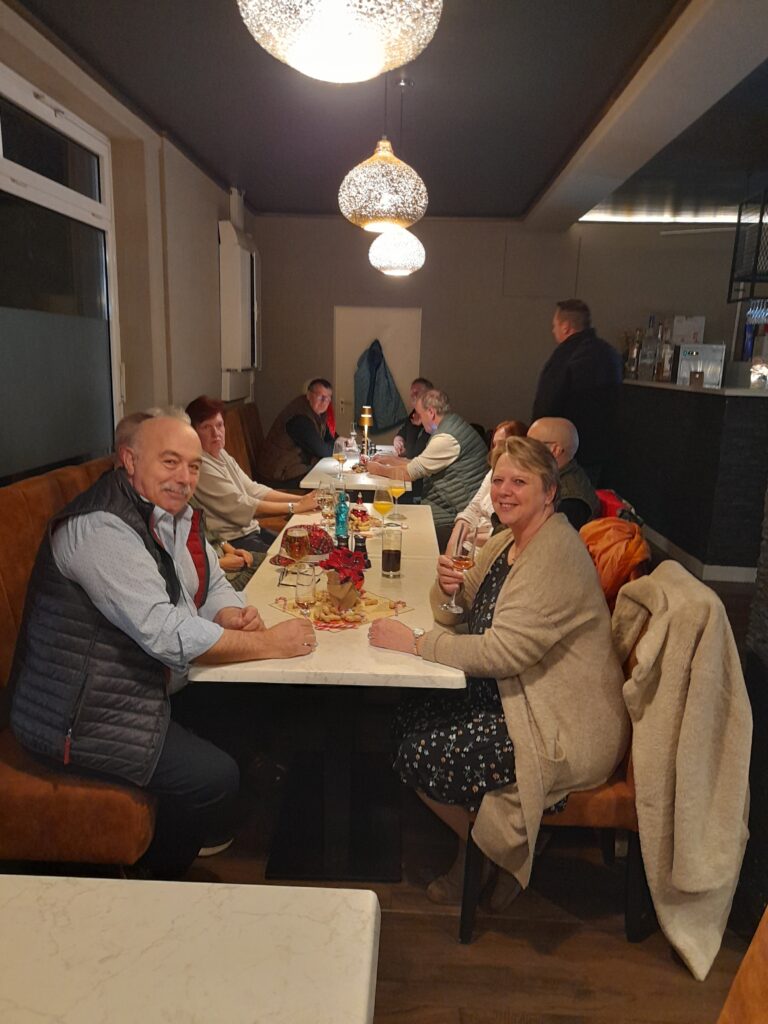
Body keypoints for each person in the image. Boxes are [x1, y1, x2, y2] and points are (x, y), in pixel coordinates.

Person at [9, 416, 316, 876]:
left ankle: (210, 826)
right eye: (170, 462)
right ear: (129, 460)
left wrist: (230, 613)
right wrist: (269, 644)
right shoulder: (101, 528)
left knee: (252, 700)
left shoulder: (171, 513)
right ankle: (152, 879)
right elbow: (165, 631)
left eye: (193, 466)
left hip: (138, 683)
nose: (184, 478)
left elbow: (210, 582)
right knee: (214, 778)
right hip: (74, 717)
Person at [368, 436, 629, 909]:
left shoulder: (554, 554)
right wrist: (448, 589)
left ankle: (486, 852)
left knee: (419, 750)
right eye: (500, 480)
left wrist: (418, 643)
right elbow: (463, 605)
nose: (505, 491)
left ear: (549, 492)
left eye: (520, 482)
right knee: (406, 713)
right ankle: (491, 846)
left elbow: (503, 653)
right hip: (516, 694)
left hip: (559, 722)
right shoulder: (509, 540)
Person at [185, 395, 318, 555]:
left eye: (219, 425)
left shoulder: (220, 453)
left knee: (309, 549)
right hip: (233, 542)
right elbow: (241, 505)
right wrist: (294, 507)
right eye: (206, 427)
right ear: (193, 433)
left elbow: (252, 489)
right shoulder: (200, 464)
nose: (216, 433)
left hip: (251, 530)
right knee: (296, 558)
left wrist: (301, 499)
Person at [368, 389, 489, 540]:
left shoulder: (446, 439)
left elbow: (408, 474)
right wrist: (389, 460)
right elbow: (419, 463)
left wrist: (376, 469)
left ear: (431, 412)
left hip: (454, 514)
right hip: (449, 507)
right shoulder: (452, 425)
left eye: (420, 414)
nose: (419, 420)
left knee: (394, 529)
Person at [531, 299, 622, 485]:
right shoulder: (610, 354)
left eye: (554, 326)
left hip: (567, 450)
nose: (553, 330)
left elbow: (546, 404)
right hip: (605, 450)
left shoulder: (565, 357)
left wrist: (536, 442)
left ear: (565, 327)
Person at [446, 419, 528, 554]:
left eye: (502, 444)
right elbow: (472, 509)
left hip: (488, 552)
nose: (496, 450)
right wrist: (453, 544)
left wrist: (468, 537)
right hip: (468, 546)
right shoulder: (492, 472)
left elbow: (506, 536)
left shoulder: (524, 483)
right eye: (494, 445)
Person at [256, 378, 336, 485]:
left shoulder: (317, 413)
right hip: (277, 476)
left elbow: (328, 437)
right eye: (320, 397)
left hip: (291, 467)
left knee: (332, 475)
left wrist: (340, 441)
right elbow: (323, 451)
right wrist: (339, 446)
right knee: (331, 480)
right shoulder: (300, 417)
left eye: (328, 399)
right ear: (308, 395)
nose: (324, 402)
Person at [527, 417, 600, 530]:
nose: (524, 451)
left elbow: (549, 538)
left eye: (531, 444)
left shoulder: (570, 500)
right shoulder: (552, 478)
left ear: (555, 450)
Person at [392, 377, 433, 459]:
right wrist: (398, 440)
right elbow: (403, 431)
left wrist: (415, 426)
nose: (413, 397)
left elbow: (413, 453)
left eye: (417, 393)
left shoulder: (432, 421)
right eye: (412, 394)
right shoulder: (415, 413)